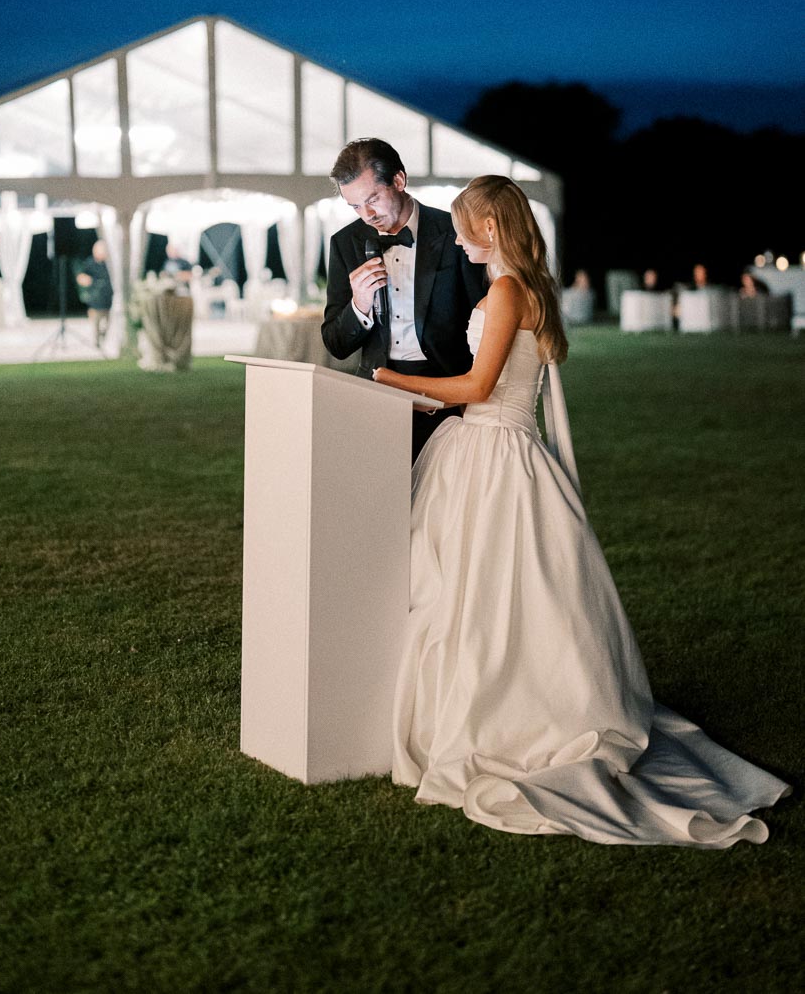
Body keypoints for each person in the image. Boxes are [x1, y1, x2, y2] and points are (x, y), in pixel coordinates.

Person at [373, 176, 788, 846]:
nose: (454, 237)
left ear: (488, 226)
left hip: (493, 453)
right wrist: (424, 397)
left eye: (461, 226)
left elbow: (479, 386)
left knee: (481, 593)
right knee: (485, 591)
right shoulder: (521, 287)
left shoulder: (508, 291)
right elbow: (484, 389)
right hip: (487, 444)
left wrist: (395, 380)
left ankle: (499, 713)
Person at [321, 138, 487, 459]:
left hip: (449, 397)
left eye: (372, 199)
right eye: (354, 206)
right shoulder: (345, 244)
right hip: (378, 397)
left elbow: (483, 317)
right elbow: (335, 344)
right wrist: (359, 306)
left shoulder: (455, 232)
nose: (366, 215)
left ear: (398, 180)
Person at [75, 240, 113, 348]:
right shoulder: (90, 263)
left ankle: (105, 338)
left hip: (109, 299)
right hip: (96, 300)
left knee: (109, 323)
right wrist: (87, 280)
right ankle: (97, 342)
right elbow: (80, 276)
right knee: (96, 322)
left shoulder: (110, 264)